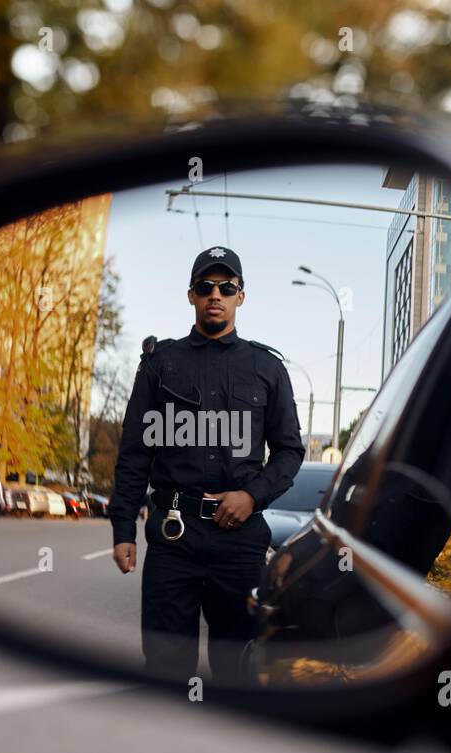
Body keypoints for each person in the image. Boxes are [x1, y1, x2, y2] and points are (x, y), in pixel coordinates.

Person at [108, 247, 305, 682]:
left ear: (240, 297)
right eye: (205, 287)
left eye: (226, 287)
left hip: (239, 542)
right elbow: (136, 450)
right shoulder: (160, 364)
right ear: (192, 296)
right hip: (173, 536)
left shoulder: (267, 369)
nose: (215, 294)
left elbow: (290, 451)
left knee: (239, 669)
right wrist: (123, 527)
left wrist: (253, 496)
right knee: (165, 666)